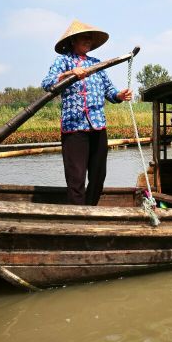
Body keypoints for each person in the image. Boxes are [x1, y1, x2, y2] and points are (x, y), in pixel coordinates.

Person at [41, 19, 132, 205]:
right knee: (77, 178)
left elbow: (110, 91)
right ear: (73, 40)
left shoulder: (96, 64)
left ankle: (90, 209)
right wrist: (70, 73)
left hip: (97, 125)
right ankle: (78, 216)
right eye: (85, 37)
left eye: (90, 38)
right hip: (74, 127)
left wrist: (120, 95)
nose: (88, 41)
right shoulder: (64, 61)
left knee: (99, 174)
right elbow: (47, 83)